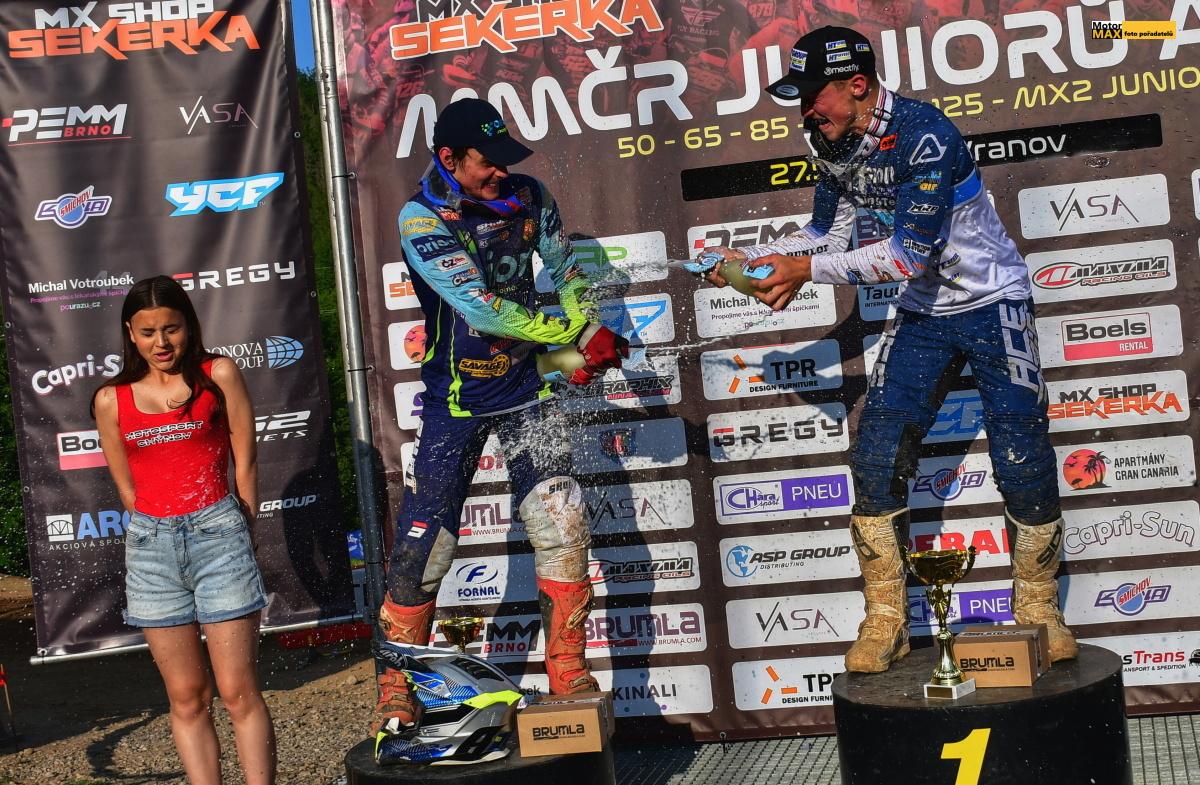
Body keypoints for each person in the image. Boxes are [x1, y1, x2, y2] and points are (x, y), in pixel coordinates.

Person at [703, 26, 1076, 672]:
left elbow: (906, 254)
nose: (805, 112)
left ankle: (1040, 610)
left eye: (813, 96)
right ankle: (886, 620)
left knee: (1020, 454)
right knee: (876, 454)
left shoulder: (925, 135)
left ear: (857, 85)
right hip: (925, 313)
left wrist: (802, 271)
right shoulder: (830, 140)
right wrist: (756, 257)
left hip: (993, 301)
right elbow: (826, 234)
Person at [375, 98, 628, 738]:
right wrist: (573, 333)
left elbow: (566, 271)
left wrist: (584, 329)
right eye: (487, 162)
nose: (501, 173)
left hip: (528, 390)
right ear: (449, 158)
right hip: (456, 402)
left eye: (504, 160)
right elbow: (483, 310)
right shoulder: (421, 217)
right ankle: (398, 687)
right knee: (427, 549)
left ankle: (568, 671)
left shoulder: (530, 197)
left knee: (562, 522)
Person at [92, 276, 275, 784]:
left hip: (219, 534)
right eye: (148, 332)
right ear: (130, 333)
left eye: (171, 329)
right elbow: (127, 488)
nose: (161, 342)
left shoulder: (218, 374)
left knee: (238, 692)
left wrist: (243, 521)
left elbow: (245, 456)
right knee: (187, 697)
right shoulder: (110, 399)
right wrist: (156, 528)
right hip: (152, 549)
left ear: (188, 326)